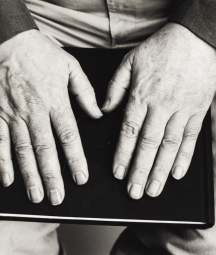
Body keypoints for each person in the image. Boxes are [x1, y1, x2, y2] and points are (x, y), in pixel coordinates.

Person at [0, 0, 216, 254]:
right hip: (34, 21)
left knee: (205, 244)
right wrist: (9, 36)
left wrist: (202, 30)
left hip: (191, 25)